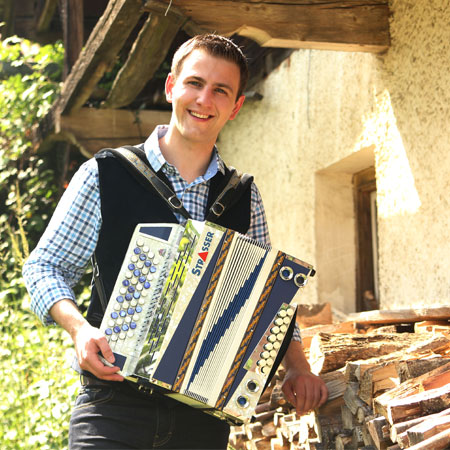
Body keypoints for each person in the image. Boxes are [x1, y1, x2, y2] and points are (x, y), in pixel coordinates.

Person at [23, 34, 327, 449]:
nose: (204, 99)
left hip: (201, 422)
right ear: (171, 87)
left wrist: (297, 366)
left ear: (236, 106)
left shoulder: (242, 195)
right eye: (194, 83)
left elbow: (268, 297)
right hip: (112, 409)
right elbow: (44, 266)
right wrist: (79, 330)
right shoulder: (106, 173)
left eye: (221, 90)